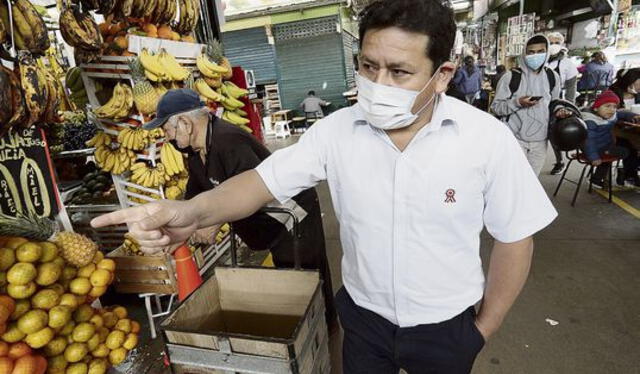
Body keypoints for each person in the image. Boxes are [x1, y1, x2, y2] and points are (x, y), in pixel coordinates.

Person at [92, 1, 558, 372]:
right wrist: (191, 213)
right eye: (368, 65)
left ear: (442, 75)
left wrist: (484, 328)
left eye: (398, 72)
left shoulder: (484, 139)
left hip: (446, 328)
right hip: (364, 322)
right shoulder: (337, 131)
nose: (378, 83)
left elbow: (515, 237)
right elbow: (258, 183)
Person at [140, 89, 337, 327]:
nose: (167, 137)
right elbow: (195, 194)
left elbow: (251, 190)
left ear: (184, 123)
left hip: (292, 215)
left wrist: (215, 221)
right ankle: (311, 329)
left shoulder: (229, 141)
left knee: (307, 276)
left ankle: (324, 331)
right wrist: (180, 221)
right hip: (268, 224)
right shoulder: (194, 151)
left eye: (166, 129)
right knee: (288, 276)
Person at [491, 34, 561, 176]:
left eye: (540, 52)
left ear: (547, 53)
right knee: (510, 180)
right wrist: (518, 102)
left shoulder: (552, 77)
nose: (536, 56)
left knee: (531, 182)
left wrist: (560, 111)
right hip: (514, 139)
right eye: (531, 52)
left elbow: (554, 104)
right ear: (524, 53)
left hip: (540, 141)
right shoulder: (511, 77)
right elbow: (496, 107)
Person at [581, 90, 639, 188]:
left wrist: (633, 116)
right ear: (596, 108)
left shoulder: (609, 115)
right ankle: (625, 173)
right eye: (607, 106)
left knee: (625, 149)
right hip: (594, 149)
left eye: (614, 106)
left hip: (604, 145)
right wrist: (594, 157)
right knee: (627, 151)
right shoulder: (590, 121)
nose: (611, 110)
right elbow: (588, 141)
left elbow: (621, 114)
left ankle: (596, 179)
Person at [546, 32, 580, 175]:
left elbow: (572, 88)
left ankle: (560, 161)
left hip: (557, 104)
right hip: (539, 102)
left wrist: (569, 107)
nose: (553, 45)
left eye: (556, 42)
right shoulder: (543, 61)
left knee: (554, 132)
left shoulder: (567, 64)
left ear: (561, 44)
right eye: (551, 42)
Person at [608, 68, 640, 187]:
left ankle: (629, 172)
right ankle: (630, 174)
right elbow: (604, 114)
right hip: (615, 132)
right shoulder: (613, 93)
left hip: (635, 130)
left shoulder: (638, 95)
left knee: (635, 142)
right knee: (631, 145)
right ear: (630, 81)